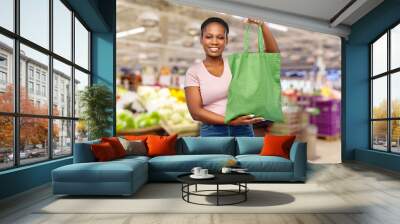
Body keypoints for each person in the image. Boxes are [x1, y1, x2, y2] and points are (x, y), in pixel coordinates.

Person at [184, 17, 280, 137]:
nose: (214, 42)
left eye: (220, 37)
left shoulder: (236, 64)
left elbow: (272, 55)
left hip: (243, 129)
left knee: (244, 157)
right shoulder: (194, 71)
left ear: (226, 40)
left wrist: (262, 25)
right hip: (212, 132)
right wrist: (230, 121)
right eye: (209, 37)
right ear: (201, 40)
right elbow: (196, 112)